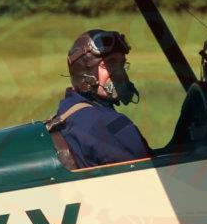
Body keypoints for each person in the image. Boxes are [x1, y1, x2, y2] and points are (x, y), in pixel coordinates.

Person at [46, 29, 151, 168]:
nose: (119, 73)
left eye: (121, 64)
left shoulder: (68, 110)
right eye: (109, 64)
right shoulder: (108, 123)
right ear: (84, 72)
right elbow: (148, 171)